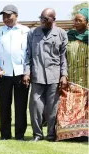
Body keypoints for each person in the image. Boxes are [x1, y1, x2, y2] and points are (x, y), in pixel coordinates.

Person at [23, 8, 68, 142]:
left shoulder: (61, 34)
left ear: (53, 19)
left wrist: (64, 75)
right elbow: (28, 55)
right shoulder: (33, 33)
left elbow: (63, 57)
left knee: (53, 107)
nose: (42, 21)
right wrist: (27, 72)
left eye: (45, 19)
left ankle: (51, 134)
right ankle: (37, 134)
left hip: (54, 75)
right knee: (35, 106)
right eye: (41, 18)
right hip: (37, 75)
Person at [0, 5, 30, 140]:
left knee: (21, 106)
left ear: (16, 16)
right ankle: (5, 134)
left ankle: (20, 135)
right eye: (4, 16)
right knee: (4, 105)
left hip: (21, 74)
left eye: (9, 16)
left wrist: (27, 72)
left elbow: (29, 54)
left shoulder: (25, 31)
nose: (6, 18)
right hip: (3, 74)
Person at [56, 8, 88, 141]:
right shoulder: (68, 36)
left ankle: (82, 134)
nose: (76, 22)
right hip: (68, 78)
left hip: (85, 79)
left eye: (79, 20)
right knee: (66, 105)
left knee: (83, 106)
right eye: (75, 20)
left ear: (87, 22)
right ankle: (66, 135)